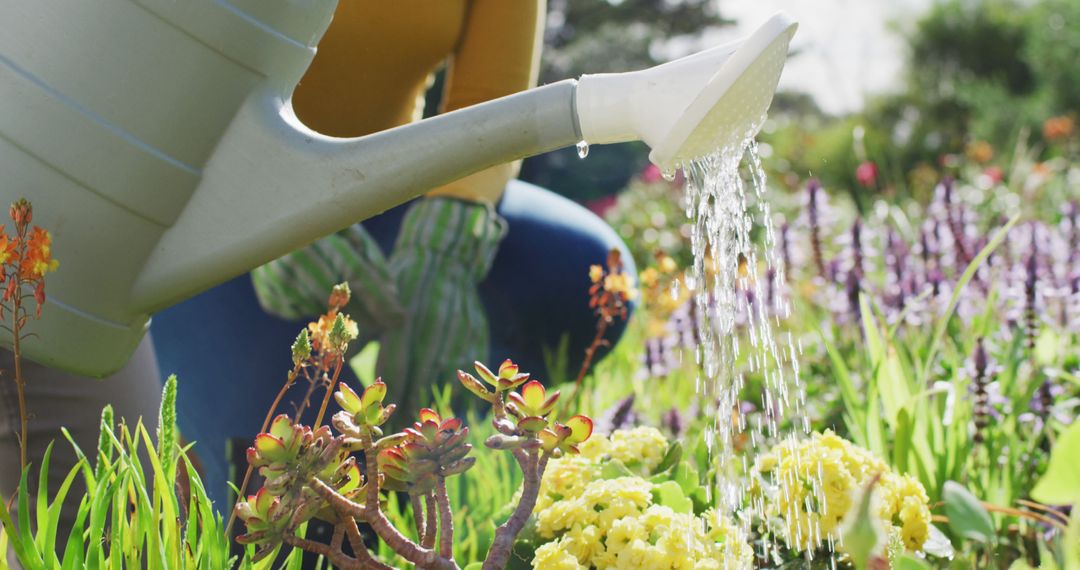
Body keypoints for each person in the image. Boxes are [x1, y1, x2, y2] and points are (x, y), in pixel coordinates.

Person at [151, 0, 636, 509]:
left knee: (582, 272)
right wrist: (249, 192)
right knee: (304, 496)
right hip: (187, 195)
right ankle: (194, 438)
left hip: (377, 190)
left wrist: (445, 246)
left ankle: (422, 450)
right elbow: (144, 61)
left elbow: (490, 101)